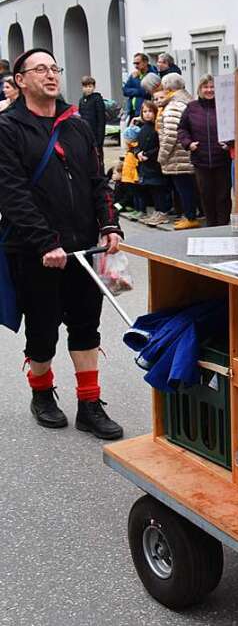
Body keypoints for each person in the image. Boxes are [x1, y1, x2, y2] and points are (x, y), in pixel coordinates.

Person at [0, 48, 124, 439]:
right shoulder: (7, 128)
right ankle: (42, 394)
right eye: (41, 69)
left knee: (87, 325)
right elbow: (12, 192)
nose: (51, 75)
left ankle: (89, 404)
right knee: (42, 330)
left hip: (84, 248)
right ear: (20, 80)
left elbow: (96, 181)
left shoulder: (77, 124)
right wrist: (45, 243)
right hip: (36, 252)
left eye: (55, 68)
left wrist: (110, 225)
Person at [179, 74, 232, 227]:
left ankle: (223, 225)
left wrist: (229, 143)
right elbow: (182, 129)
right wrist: (188, 143)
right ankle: (211, 225)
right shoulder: (191, 107)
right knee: (206, 194)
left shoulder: (224, 107)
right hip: (200, 159)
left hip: (222, 158)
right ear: (200, 89)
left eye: (212, 87)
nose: (209, 90)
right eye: (205, 87)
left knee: (223, 195)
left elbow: (235, 127)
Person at [157, 73, 200, 230]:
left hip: (178, 156)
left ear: (167, 87)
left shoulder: (174, 105)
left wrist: (162, 156)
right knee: (188, 187)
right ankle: (189, 215)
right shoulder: (187, 100)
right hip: (186, 153)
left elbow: (170, 134)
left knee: (184, 188)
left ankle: (190, 217)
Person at [133, 101, 172, 225]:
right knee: (152, 189)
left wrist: (147, 155)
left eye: (150, 111)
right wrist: (137, 152)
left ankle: (163, 212)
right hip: (145, 164)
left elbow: (159, 146)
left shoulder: (157, 128)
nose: (147, 114)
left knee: (159, 189)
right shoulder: (143, 128)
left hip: (155, 164)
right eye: (145, 112)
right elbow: (136, 144)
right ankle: (157, 210)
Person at [78, 75, 106, 161]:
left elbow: (101, 120)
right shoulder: (81, 100)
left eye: (90, 86)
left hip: (96, 133)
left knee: (97, 156)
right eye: (86, 86)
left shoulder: (97, 99)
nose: (88, 89)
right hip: (85, 133)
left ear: (94, 87)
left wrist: (100, 139)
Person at [122, 52, 157, 121]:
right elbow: (125, 90)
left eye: (137, 63)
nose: (135, 66)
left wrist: (135, 91)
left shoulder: (152, 75)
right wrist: (138, 91)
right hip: (132, 111)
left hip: (145, 110)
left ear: (145, 62)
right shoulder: (134, 75)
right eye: (134, 63)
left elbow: (147, 92)